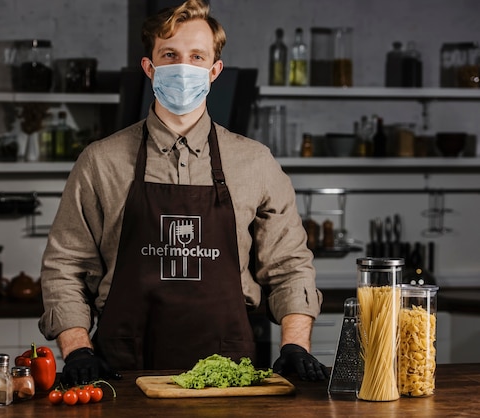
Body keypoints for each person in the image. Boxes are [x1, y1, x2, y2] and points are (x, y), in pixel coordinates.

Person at [39, 0, 329, 384]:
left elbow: (290, 266)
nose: (183, 68)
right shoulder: (100, 162)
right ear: (150, 67)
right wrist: (78, 350)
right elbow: (64, 268)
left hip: (231, 377)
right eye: (170, 55)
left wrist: (295, 345)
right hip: (122, 375)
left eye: (196, 57)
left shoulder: (255, 163)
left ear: (214, 71)